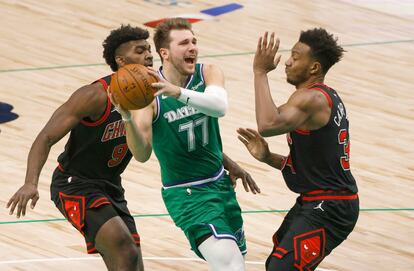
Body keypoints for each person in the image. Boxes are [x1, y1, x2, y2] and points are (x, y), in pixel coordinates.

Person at [111, 18, 260, 271]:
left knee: (236, 261)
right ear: (165, 53)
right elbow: (142, 153)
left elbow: (219, 107)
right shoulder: (148, 94)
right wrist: (126, 117)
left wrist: (230, 164)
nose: (192, 47)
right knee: (232, 267)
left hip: (221, 185)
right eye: (184, 43)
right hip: (187, 195)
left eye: (194, 41)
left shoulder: (208, 72)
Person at [6, 25, 155, 271]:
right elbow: (45, 137)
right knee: (124, 248)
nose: (149, 55)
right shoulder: (94, 95)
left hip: (111, 186)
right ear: (120, 60)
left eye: (149, 50)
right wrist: (31, 182)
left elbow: (176, 134)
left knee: (133, 263)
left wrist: (225, 162)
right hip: (75, 184)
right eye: (140, 51)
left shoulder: (150, 94)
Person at [237, 29, 359, 270]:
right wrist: (267, 157)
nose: (288, 62)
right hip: (319, 199)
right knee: (276, 264)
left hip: (331, 205)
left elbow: (268, 124)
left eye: (295, 56)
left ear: (314, 68)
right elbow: (315, 166)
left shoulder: (311, 100)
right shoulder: (319, 98)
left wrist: (260, 72)